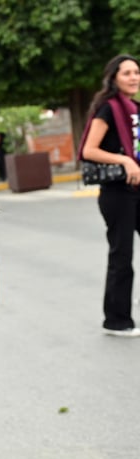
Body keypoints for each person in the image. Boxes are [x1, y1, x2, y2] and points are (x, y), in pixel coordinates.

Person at [81, 53, 140, 337]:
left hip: (136, 189)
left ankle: (125, 302)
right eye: (127, 72)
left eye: (137, 72)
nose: (133, 77)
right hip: (117, 193)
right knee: (122, 255)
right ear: (114, 77)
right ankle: (116, 320)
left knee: (124, 255)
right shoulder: (109, 108)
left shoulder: (134, 108)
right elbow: (89, 150)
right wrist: (125, 161)